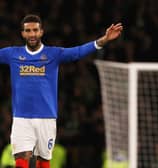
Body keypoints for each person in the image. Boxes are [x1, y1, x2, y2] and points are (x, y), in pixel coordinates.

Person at [0, 14, 123, 168]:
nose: (32, 34)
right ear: (23, 33)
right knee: (21, 161)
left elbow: (77, 52)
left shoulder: (53, 54)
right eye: (28, 31)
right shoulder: (12, 54)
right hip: (21, 119)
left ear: (41, 32)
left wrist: (103, 40)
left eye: (35, 30)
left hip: (47, 118)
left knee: (43, 163)